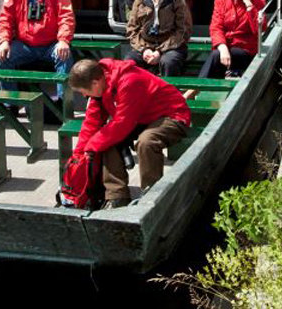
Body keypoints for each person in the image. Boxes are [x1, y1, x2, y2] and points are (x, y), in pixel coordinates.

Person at [67, 57, 191, 208]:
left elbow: (122, 124)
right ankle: (117, 197)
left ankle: (151, 196)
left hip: (172, 115)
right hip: (142, 118)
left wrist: (92, 145)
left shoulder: (129, 81)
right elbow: (91, 123)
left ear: (95, 83)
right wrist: (80, 153)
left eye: (84, 91)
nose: (84, 96)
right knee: (106, 141)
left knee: (146, 142)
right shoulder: (100, 84)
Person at [125, 0, 191, 76]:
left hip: (171, 47)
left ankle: (169, 92)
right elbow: (132, 29)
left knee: (169, 62)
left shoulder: (177, 1)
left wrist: (159, 51)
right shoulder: (140, 0)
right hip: (145, 46)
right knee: (129, 63)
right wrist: (144, 49)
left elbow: (183, 31)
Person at [206, 0, 266, 79]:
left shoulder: (258, 1)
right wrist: (222, 47)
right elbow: (216, 27)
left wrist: (248, 4)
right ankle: (201, 89)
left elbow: (259, 29)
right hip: (226, 46)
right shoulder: (221, 0)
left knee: (221, 56)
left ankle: (193, 91)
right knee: (217, 55)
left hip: (245, 49)